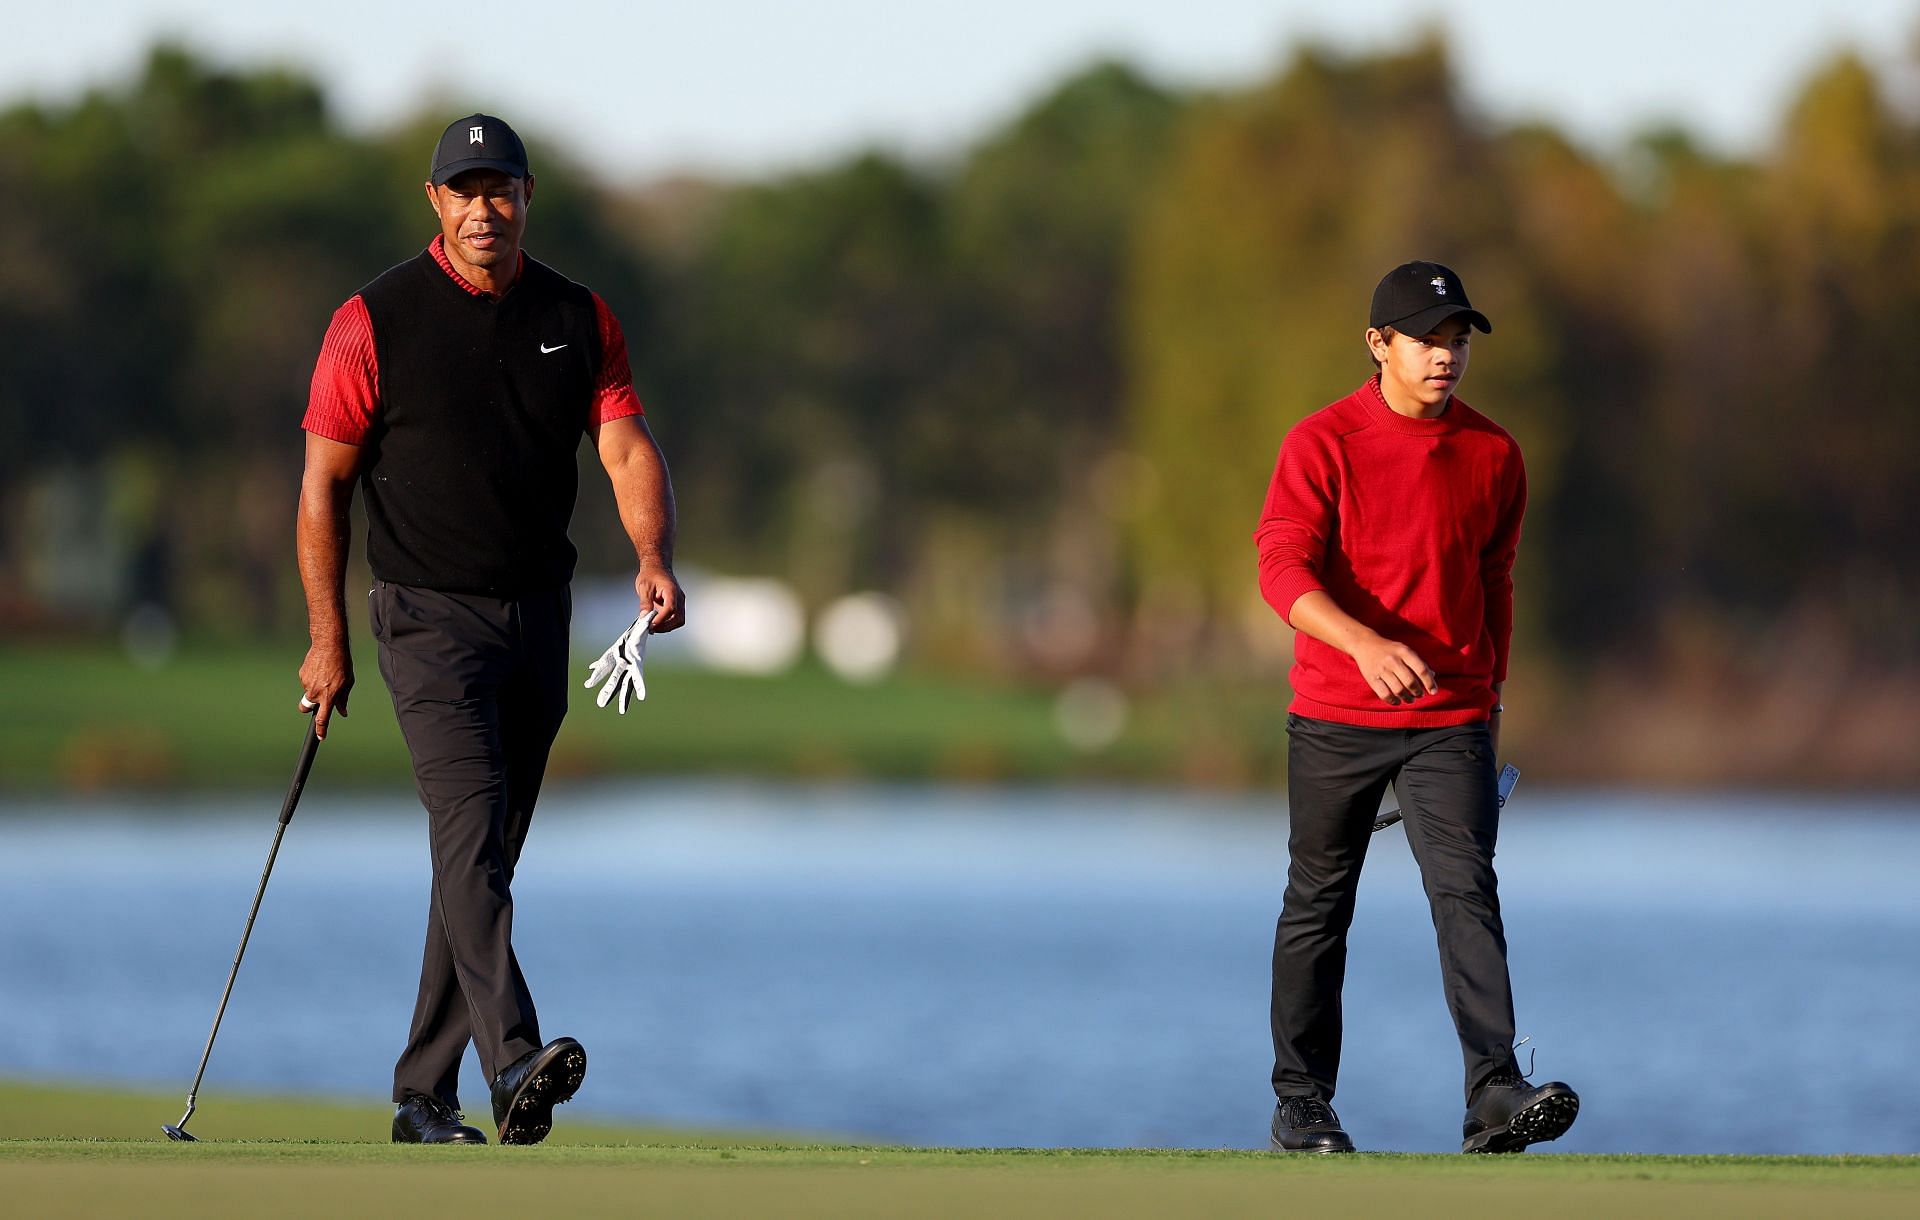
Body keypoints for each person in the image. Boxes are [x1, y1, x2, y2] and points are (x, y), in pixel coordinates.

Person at [295, 113, 685, 1146]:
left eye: (499, 187)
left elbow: (626, 449)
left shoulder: (577, 314)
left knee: (478, 860)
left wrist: (652, 557)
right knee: (471, 844)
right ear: (436, 201)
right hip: (424, 618)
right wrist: (327, 637)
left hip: (535, 618)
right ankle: (514, 1056)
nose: (483, 208)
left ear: (526, 195)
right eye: (463, 190)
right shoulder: (371, 321)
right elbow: (323, 490)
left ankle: (423, 1096)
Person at [1254, 261, 1577, 1154]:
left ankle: (1494, 1095)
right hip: (1333, 713)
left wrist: (1490, 704)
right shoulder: (1321, 443)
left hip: (1452, 722)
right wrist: (1360, 643)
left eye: (1459, 339)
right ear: (1379, 345)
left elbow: (1492, 583)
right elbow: (1282, 569)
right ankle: (1302, 1104)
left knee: (1467, 895)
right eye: (1428, 339)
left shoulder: (1494, 453)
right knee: (1319, 903)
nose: (1446, 356)